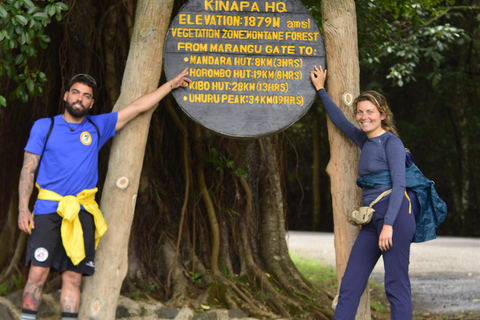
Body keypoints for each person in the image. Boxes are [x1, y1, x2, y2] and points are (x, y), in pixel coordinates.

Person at [17, 68, 192, 320]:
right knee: (37, 274)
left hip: (82, 212)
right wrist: (24, 208)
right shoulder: (45, 126)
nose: (80, 98)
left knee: (74, 278)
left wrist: (171, 85)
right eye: (75, 92)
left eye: (86, 95)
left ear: (92, 102)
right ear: (65, 96)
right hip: (47, 210)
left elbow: (138, 107)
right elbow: (28, 168)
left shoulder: (98, 126)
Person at [310, 65, 416, 320]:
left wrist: (388, 225)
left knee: (395, 285)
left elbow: (399, 185)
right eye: (360, 112)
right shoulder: (364, 140)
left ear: (382, 114)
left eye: (370, 112)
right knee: (350, 285)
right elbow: (338, 119)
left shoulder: (392, 142)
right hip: (371, 220)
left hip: (396, 217)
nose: (363, 116)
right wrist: (321, 89)